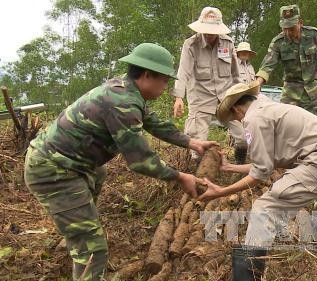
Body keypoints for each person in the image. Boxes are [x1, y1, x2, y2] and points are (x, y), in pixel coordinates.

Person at [24, 43, 215, 281]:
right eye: (165, 81)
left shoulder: (126, 90)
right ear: (147, 75)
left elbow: (154, 123)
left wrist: (191, 142)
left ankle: (75, 230)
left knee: (99, 173)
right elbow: (141, 161)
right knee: (93, 249)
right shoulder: (122, 102)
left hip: (71, 163)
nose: (166, 87)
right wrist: (179, 177)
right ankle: (80, 241)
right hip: (54, 171)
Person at [198, 82, 317, 281]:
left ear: (237, 108)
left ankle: (247, 277)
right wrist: (230, 167)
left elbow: (260, 173)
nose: (237, 119)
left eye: (235, 116)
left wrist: (220, 191)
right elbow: (266, 164)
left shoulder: (253, 119)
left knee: (265, 207)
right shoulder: (270, 108)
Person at [172, 6, 248, 164]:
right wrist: (179, 97)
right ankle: (198, 175)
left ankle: (239, 168)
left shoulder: (228, 43)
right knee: (197, 142)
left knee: (243, 136)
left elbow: (235, 74)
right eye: (206, 31)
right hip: (200, 98)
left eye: (213, 32)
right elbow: (183, 72)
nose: (209, 35)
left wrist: (242, 98)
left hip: (225, 97)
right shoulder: (191, 45)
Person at [255, 4, 317, 115]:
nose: (288, 32)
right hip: (291, 95)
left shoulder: (313, 34)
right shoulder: (278, 42)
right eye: (285, 28)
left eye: (291, 28)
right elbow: (267, 65)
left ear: (300, 23)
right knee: (289, 126)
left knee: (310, 127)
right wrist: (257, 83)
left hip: (314, 92)